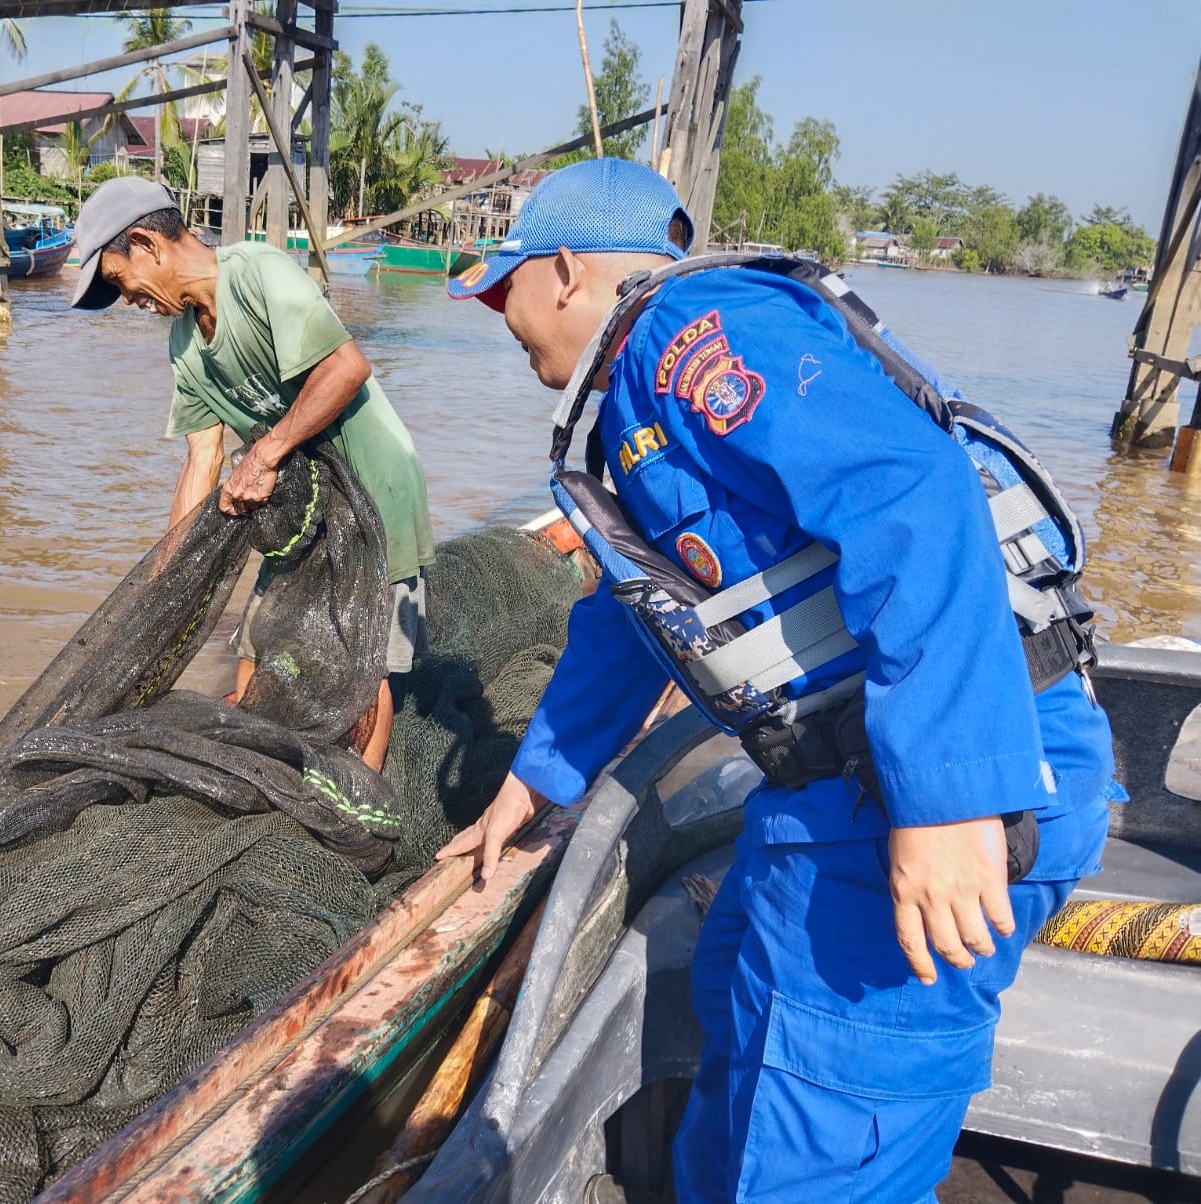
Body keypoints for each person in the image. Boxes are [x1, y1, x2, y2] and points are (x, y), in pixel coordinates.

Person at [438, 158, 1114, 1202]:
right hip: (825, 799)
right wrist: (533, 787)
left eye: (502, 290)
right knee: (728, 1007)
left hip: (931, 783)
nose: (501, 320)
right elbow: (637, 626)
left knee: (821, 1144)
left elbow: (908, 489)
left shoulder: (686, 331)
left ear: (565, 270)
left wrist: (948, 801)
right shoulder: (630, 414)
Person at [70, 178, 435, 771]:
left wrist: (264, 454)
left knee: (360, 664)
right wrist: (166, 575)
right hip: (298, 505)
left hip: (375, 487)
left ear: (146, 244)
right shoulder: (185, 343)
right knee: (257, 649)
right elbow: (202, 461)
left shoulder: (258, 272)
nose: (128, 299)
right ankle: (275, 777)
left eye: (119, 280)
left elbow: (346, 368)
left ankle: (361, 812)